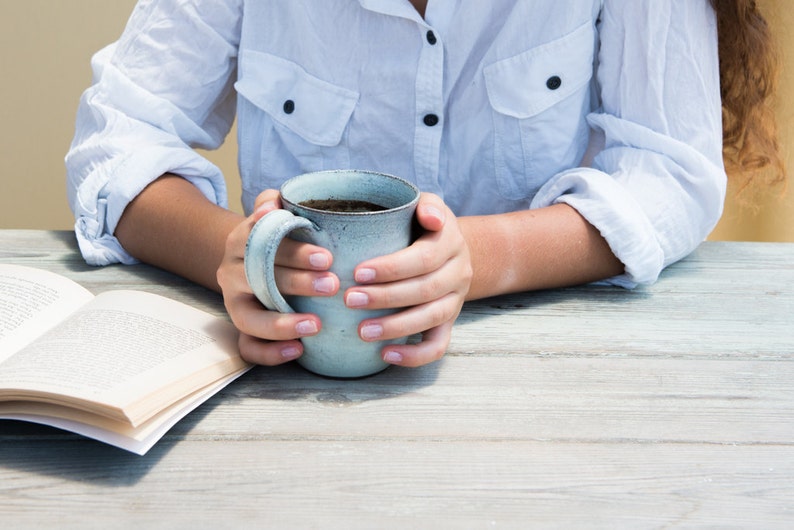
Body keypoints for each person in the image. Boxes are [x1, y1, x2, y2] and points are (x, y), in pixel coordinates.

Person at [66, 0, 782, 369]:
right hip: (288, 387)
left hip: (552, 390)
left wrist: (480, 256)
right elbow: (117, 140)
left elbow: (671, 170)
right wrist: (235, 255)